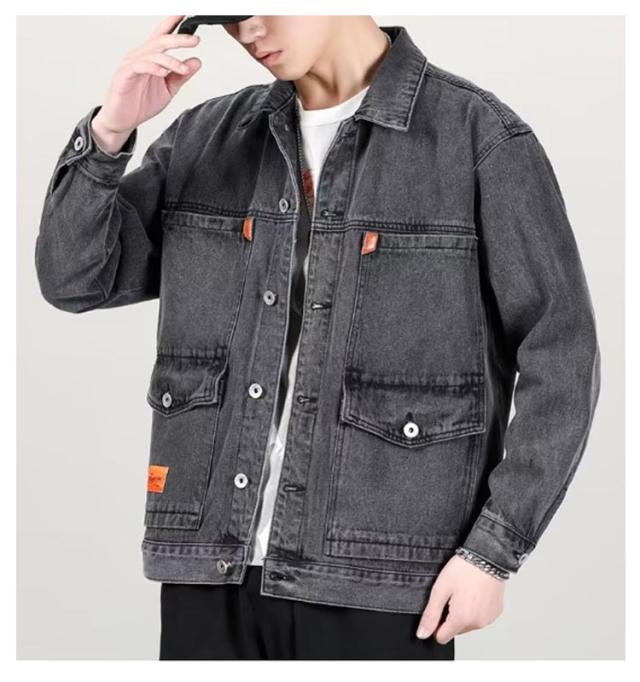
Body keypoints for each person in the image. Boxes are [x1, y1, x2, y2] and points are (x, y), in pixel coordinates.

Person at [34, 15, 601, 660]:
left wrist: (491, 553)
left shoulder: (478, 138)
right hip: (210, 567)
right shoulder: (206, 137)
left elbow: (563, 352)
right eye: (228, 17)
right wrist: (109, 133)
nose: (249, 30)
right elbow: (75, 280)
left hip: (381, 578)